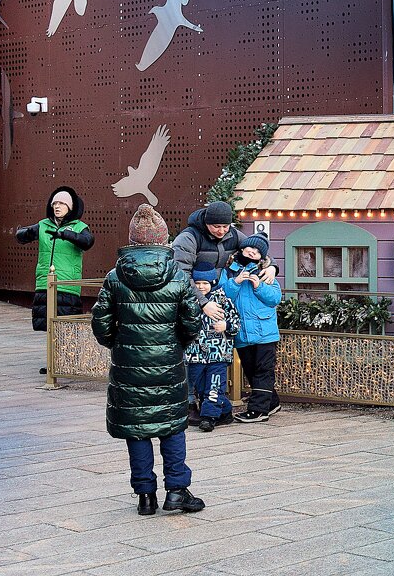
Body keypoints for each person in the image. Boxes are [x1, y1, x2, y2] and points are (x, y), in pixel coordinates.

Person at [91, 204, 206, 515]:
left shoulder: (116, 277)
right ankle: (177, 491)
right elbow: (193, 321)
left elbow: (100, 320)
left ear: (132, 240)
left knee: (137, 429)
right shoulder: (179, 277)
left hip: (128, 367)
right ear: (163, 239)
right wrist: (177, 343)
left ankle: (145, 497)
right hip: (169, 363)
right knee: (172, 426)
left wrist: (116, 343)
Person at [172, 201, 277, 327]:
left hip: (223, 293)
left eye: (225, 226)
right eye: (216, 226)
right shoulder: (189, 238)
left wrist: (272, 266)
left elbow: (256, 249)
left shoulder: (233, 234)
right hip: (196, 294)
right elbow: (181, 274)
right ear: (206, 222)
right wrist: (203, 302)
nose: (222, 231)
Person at [16, 187, 94, 349]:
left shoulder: (79, 227)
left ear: (71, 207)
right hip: (45, 283)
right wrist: (26, 233)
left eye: (62, 204)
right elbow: (21, 236)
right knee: (49, 326)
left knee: (66, 326)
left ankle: (68, 361)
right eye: (55, 203)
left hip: (67, 284)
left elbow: (87, 242)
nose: (57, 206)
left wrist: (65, 234)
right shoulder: (43, 225)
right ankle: (53, 364)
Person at [223, 233, 283, 423]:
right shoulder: (230, 271)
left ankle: (258, 410)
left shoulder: (266, 272)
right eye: (250, 248)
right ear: (242, 249)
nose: (252, 252)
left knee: (263, 370)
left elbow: (275, 298)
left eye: (257, 252)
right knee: (250, 370)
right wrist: (236, 282)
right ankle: (271, 402)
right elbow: (223, 296)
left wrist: (259, 287)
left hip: (265, 332)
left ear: (261, 256)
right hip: (242, 333)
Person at [187, 264, 240, 432]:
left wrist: (226, 325)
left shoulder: (222, 300)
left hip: (218, 354)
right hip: (195, 354)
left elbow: (236, 323)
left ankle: (208, 418)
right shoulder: (188, 301)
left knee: (215, 386)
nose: (201, 287)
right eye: (198, 283)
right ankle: (225, 412)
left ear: (213, 282)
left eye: (205, 283)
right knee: (201, 387)